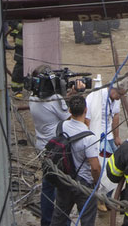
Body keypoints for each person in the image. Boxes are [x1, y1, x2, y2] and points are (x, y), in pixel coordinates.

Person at [28, 69, 72, 226]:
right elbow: (71, 118)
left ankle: (46, 221)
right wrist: (69, 96)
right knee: (64, 188)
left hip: (42, 146)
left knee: (47, 186)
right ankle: (63, 223)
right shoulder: (54, 100)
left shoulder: (32, 97)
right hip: (58, 149)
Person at [49, 95, 100, 226]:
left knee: (58, 218)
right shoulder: (89, 137)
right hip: (84, 184)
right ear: (86, 110)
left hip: (64, 178)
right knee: (87, 220)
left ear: (70, 110)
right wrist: (96, 183)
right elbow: (95, 167)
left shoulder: (61, 126)